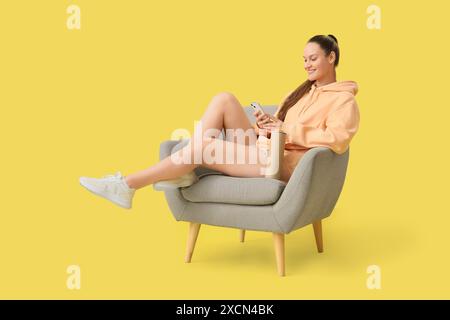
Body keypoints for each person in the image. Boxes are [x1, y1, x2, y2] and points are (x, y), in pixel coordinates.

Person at [79, 34, 360, 209]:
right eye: (304, 60)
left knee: (203, 147)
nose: (307, 64)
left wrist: (285, 129)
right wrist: (263, 126)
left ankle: (127, 185)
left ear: (331, 57)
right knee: (224, 98)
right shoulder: (297, 93)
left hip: (280, 164)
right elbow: (279, 128)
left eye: (312, 58)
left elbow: (337, 139)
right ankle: (184, 168)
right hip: (264, 148)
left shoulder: (344, 100)